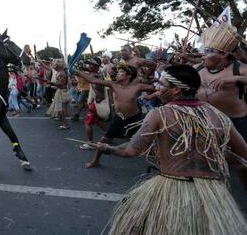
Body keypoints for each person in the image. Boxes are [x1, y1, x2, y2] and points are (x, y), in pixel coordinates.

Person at [97, 64, 247, 235]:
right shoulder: (220, 116)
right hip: (212, 195)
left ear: (176, 90)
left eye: (161, 84)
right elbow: (244, 155)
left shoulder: (159, 114)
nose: (158, 89)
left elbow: (131, 150)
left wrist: (108, 148)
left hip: (170, 190)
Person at [74, 64, 156, 168]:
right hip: (119, 119)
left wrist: (156, 82)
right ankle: (95, 161)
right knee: (103, 142)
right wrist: (77, 72)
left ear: (128, 76)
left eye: (121, 72)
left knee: (145, 144)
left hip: (135, 121)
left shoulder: (137, 87)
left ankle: (162, 165)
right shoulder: (113, 85)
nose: (117, 74)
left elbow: (155, 89)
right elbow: (93, 80)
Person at [197, 23, 247, 141]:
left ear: (223, 54)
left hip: (239, 122)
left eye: (209, 51)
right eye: (205, 50)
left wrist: (235, 79)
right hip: (211, 123)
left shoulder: (240, 69)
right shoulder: (197, 69)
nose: (204, 55)